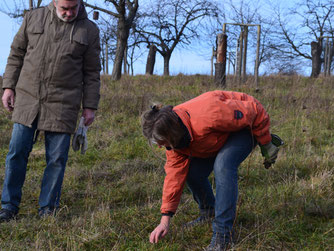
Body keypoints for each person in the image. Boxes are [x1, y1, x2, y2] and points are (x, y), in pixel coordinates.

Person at [141, 90, 282, 250]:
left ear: (172, 133)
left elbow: (255, 110)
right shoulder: (174, 143)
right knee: (192, 173)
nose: (159, 146)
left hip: (244, 128)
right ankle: (209, 211)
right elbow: (173, 178)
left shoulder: (210, 113)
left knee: (223, 165)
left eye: (160, 140)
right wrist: (164, 220)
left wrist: (266, 143)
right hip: (214, 138)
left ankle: (223, 235)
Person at [0, 0, 101, 221]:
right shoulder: (32, 18)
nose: (69, 13)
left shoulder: (90, 30)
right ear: (54, 2)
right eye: (64, 8)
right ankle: (8, 206)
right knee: (16, 154)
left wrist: (90, 106)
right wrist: (8, 86)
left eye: (73, 8)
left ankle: (48, 209)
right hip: (28, 98)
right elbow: (16, 54)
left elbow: (92, 72)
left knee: (56, 159)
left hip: (64, 102)